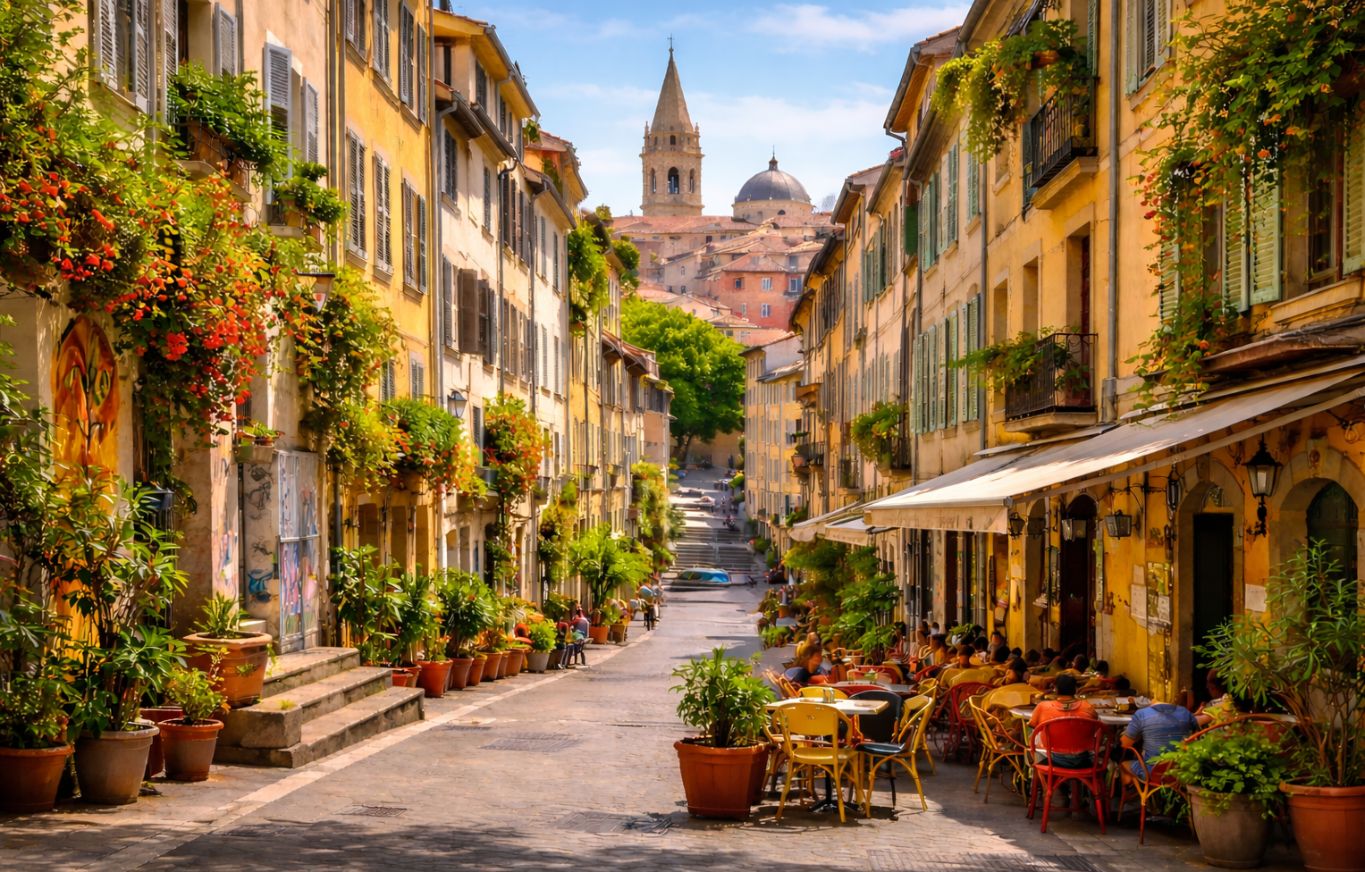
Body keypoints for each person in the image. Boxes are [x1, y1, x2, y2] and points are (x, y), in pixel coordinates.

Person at [1029, 674, 1099, 767]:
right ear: (1076, 689)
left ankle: (1034, 775)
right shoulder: (1087, 706)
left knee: (1033, 735)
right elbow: (1096, 724)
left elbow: (1032, 725)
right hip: (1082, 758)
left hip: (1052, 759)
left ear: (1055, 689)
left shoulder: (1043, 706)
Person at [1120, 696, 1199, 775]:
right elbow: (1196, 733)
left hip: (1152, 772)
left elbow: (1124, 744)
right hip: (1181, 770)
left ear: (1153, 698)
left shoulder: (1142, 714)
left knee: (1123, 765)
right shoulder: (1185, 712)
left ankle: (1137, 786)